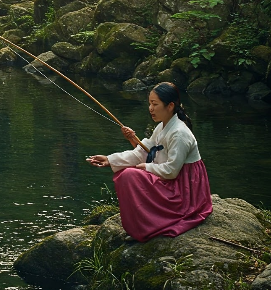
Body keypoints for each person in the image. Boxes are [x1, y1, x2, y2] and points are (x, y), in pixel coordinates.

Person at [86, 82, 212, 242]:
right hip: (172, 180)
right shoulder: (161, 127)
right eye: (149, 104)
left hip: (184, 189)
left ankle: (148, 226)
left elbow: (172, 171)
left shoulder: (179, 134)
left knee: (130, 175)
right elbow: (142, 153)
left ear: (170, 105)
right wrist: (109, 159)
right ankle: (143, 225)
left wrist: (146, 167)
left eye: (155, 104)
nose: (150, 108)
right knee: (127, 174)